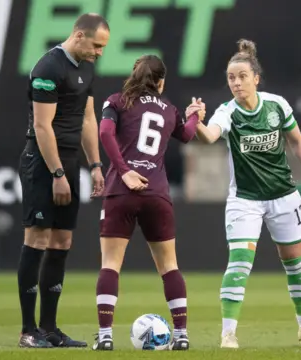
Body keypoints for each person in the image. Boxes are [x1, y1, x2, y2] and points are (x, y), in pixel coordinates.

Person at [195, 39, 301, 349]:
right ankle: (228, 333)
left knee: (296, 264)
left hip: (283, 195)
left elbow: (297, 142)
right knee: (239, 263)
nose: (236, 83)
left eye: (241, 76)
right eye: (230, 78)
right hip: (245, 200)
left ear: (255, 77)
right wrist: (197, 121)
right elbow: (210, 136)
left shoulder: (276, 104)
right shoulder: (227, 112)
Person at [92, 54, 204, 351]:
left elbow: (104, 132)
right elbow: (188, 134)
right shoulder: (169, 109)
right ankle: (181, 335)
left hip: (121, 191)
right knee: (169, 266)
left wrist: (126, 170)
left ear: (134, 74)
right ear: (161, 81)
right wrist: (194, 114)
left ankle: (105, 336)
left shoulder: (116, 101)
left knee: (111, 265)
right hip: (156, 193)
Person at [16, 13, 109, 348]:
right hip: (42, 163)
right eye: (96, 45)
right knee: (37, 238)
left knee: (61, 243)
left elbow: (87, 119)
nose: (99, 53)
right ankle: (28, 331)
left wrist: (95, 164)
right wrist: (56, 173)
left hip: (69, 162)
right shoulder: (48, 68)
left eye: (103, 48)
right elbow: (42, 127)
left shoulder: (87, 67)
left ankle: (51, 329)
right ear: (78, 35)